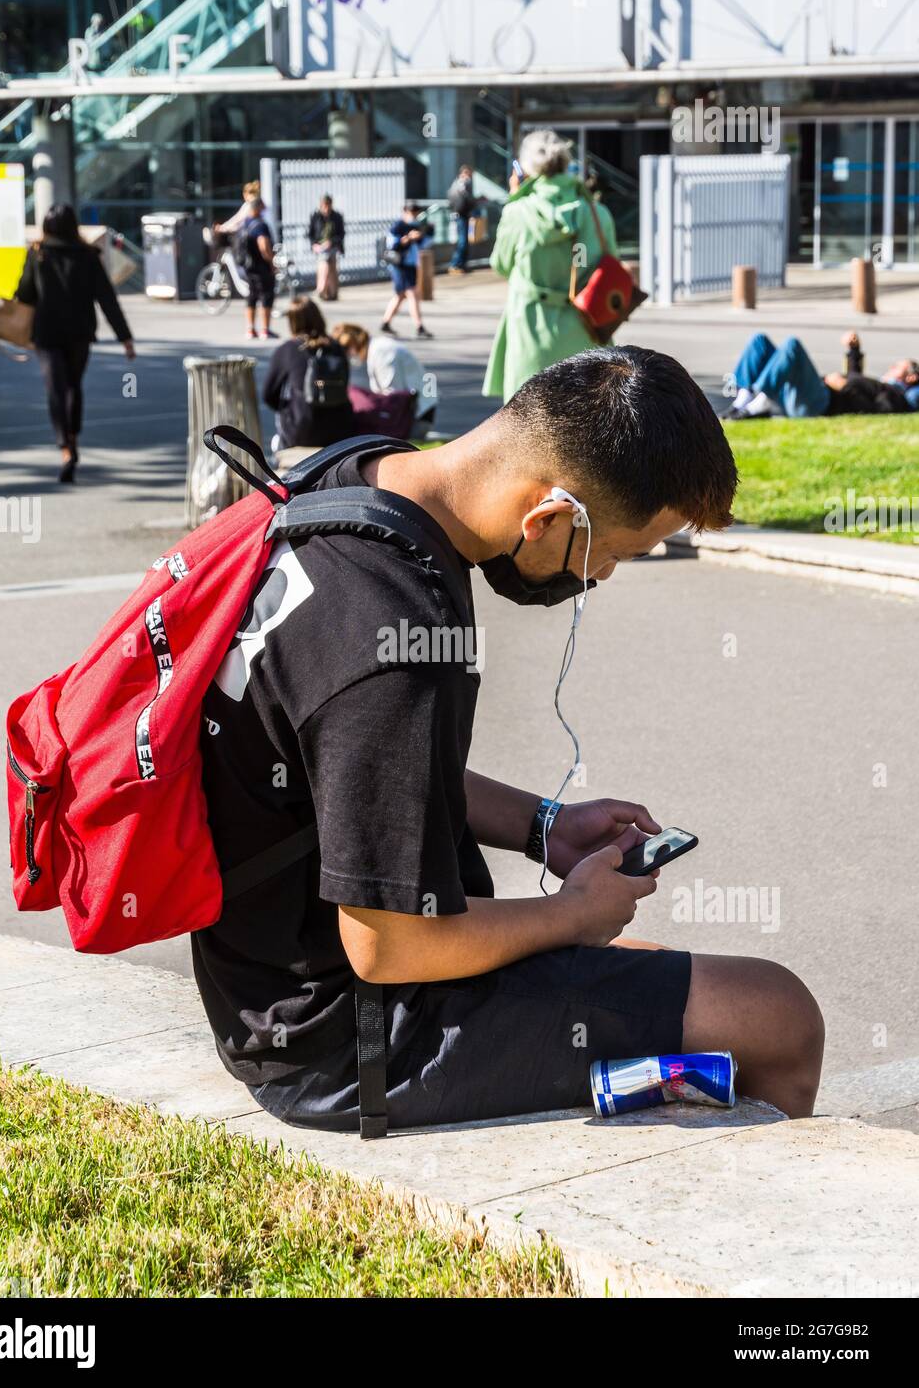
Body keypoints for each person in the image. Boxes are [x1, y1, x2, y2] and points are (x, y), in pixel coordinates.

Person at [193, 345, 826, 1135]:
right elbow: (388, 946)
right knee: (774, 1015)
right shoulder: (393, 632)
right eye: (617, 553)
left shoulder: (361, 481)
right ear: (550, 516)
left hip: (269, 984)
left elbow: (362, 770)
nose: (600, 580)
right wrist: (571, 919)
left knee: (667, 972)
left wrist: (543, 826)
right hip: (344, 1041)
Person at [483, 129, 619, 404]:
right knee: (586, 424)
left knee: (528, 423)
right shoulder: (597, 213)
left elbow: (500, 264)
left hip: (529, 328)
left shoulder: (517, 213)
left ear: (525, 171)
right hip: (586, 329)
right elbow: (611, 264)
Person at [14, 203, 134, 483]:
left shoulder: (38, 253)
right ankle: (73, 439)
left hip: (47, 332)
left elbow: (25, 293)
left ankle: (65, 447)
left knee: (55, 388)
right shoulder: (88, 255)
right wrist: (125, 337)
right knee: (72, 386)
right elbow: (107, 299)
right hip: (80, 332)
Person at [724, 332, 919, 419]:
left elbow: (875, 411)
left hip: (820, 402)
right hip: (809, 394)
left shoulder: (896, 395)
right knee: (760, 341)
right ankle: (742, 400)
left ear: (911, 378)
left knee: (793, 346)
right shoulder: (879, 385)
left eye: (898, 367)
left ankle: (759, 404)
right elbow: (855, 378)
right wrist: (854, 350)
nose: (892, 367)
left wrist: (843, 386)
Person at [261, 296, 354, 449]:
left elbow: (268, 395)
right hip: (341, 428)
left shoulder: (287, 349)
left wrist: (291, 407)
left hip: (302, 430)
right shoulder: (337, 348)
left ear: (292, 322)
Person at [332, 321, 438, 437]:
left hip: (416, 417)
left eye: (347, 352)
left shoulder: (383, 352)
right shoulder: (377, 347)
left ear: (352, 346)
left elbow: (393, 397)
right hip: (415, 411)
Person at [381, 202, 433, 339]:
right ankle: (419, 326)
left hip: (411, 264)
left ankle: (386, 322)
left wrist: (425, 234)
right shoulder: (398, 226)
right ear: (405, 211)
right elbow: (392, 244)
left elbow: (424, 244)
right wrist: (408, 238)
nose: (414, 215)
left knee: (400, 295)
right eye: (412, 212)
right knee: (412, 293)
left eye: (416, 212)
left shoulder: (416, 226)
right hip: (400, 264)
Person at [237, 197, 277, 342]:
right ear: (258, 207)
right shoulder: (260, 225)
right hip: (261, 266)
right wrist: (272, 262)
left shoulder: (245, 223)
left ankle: (250, 329)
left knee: (251, 296)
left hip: (248, 267)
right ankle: (265, 330)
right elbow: (264, 245)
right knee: (266, 295)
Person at [447, 163, 483, 275]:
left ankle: (461, 264)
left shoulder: (457, 184)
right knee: (462, 241)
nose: (468, 176)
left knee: (464, 241)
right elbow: (465, 199)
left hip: (462, 214)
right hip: (461, 215)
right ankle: (455, 264)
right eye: (466, 173)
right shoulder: (462, 184)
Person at [308, 193, 345, 301]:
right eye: (324, 205)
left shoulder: (337, 217)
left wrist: (331, 242)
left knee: (331, 266)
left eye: (328, 205)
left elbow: (341, 234)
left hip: (333, 246)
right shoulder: (315, 216)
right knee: (325, 264)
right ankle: (323, 289)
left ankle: (330, 291)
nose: (326, 208)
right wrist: (314, 245)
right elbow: (311, 234)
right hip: (320, 247)